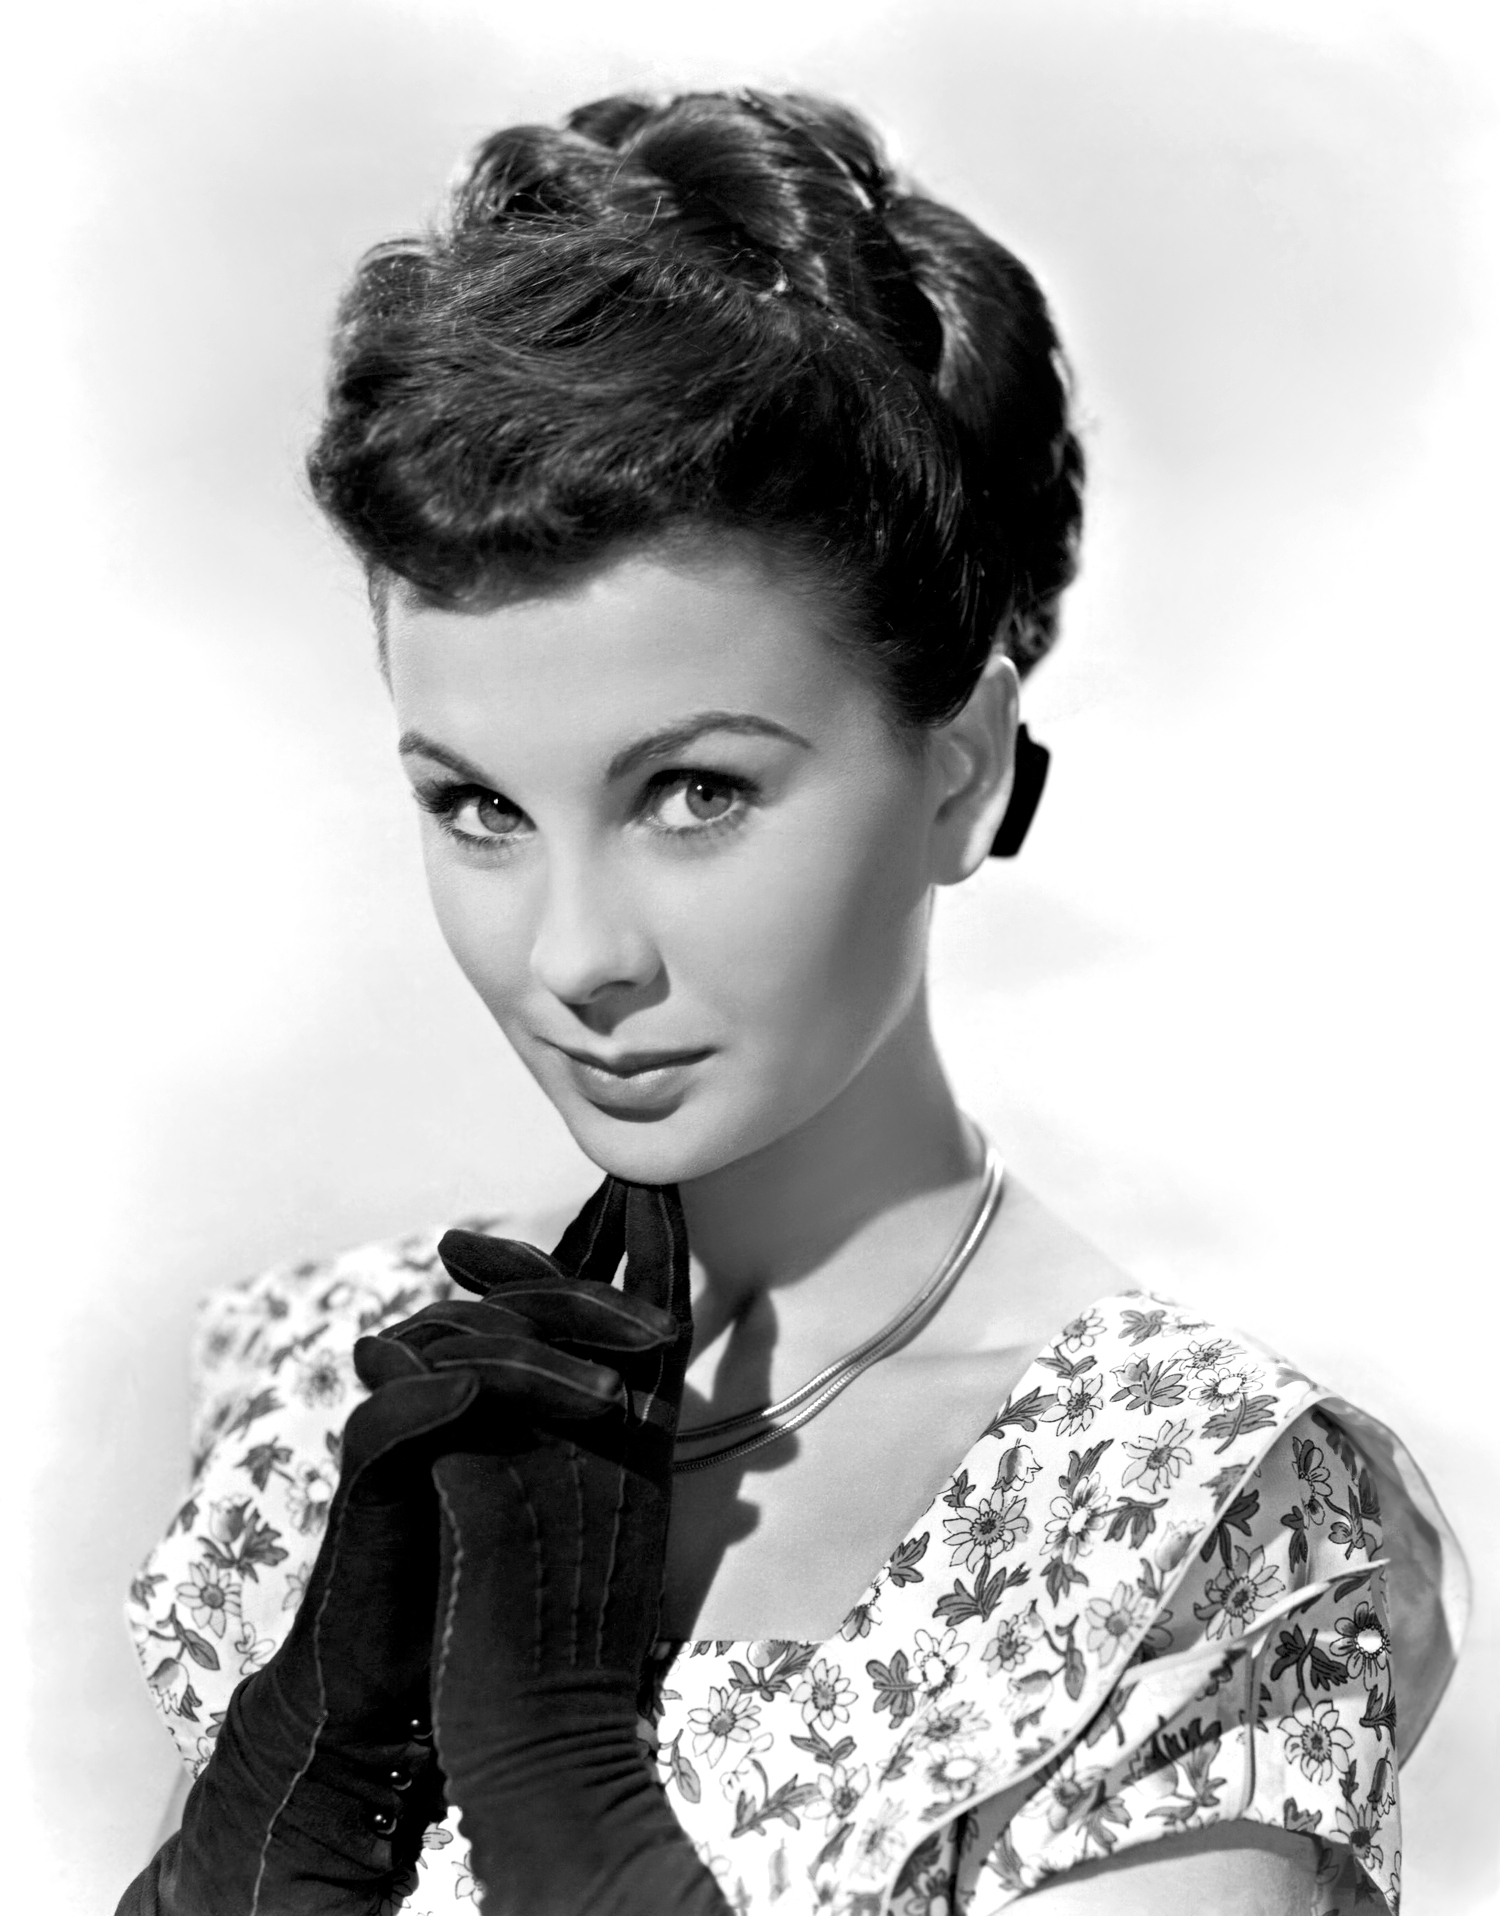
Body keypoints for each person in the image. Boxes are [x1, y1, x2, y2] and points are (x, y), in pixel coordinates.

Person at [118, 89, 1465, 1916]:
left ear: (961, 767)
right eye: (480, 808)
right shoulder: (322, 1388)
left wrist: (568, 1792)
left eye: (697, 793)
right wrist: (307, 1788)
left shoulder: (1181, 1510)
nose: (574, 954)